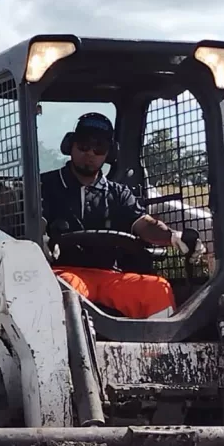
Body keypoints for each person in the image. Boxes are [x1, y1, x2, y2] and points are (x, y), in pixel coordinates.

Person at [41, 112, 202, 319]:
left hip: (111, 276)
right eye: (83, 145)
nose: (90, 153)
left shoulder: (119, 194)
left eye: (98, 147)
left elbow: (144, 224)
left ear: (109, 153)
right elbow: (34, 225)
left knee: (156, 289)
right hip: (63, 272)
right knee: (68, 289)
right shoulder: (44, 186)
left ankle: (158, 349)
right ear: (70, 145)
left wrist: (172, 236)